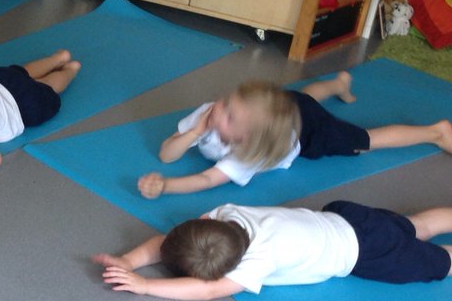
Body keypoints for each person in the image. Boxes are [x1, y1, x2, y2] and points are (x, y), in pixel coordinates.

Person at [138, 72, 452, 199]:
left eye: (230, 116)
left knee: (363, 143)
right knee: (302, 100)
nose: (218, 110)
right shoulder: (210, 114)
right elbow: (166, 154)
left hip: (306, 133)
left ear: (247, 137)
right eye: (225, 102)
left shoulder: (248, 153)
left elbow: (207, 179)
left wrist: (167, 186)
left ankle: (436, 132)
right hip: (288, 105)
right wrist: (195, 131)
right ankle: (338, 84)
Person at [93, 199, 452, 301]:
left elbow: (209, 291)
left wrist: (146, 285)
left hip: (365, 252)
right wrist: (127, 261)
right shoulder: (225, 214)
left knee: (439, 262)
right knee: (417, 225)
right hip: (351, 217)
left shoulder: (256, 262)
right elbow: (168, 243)